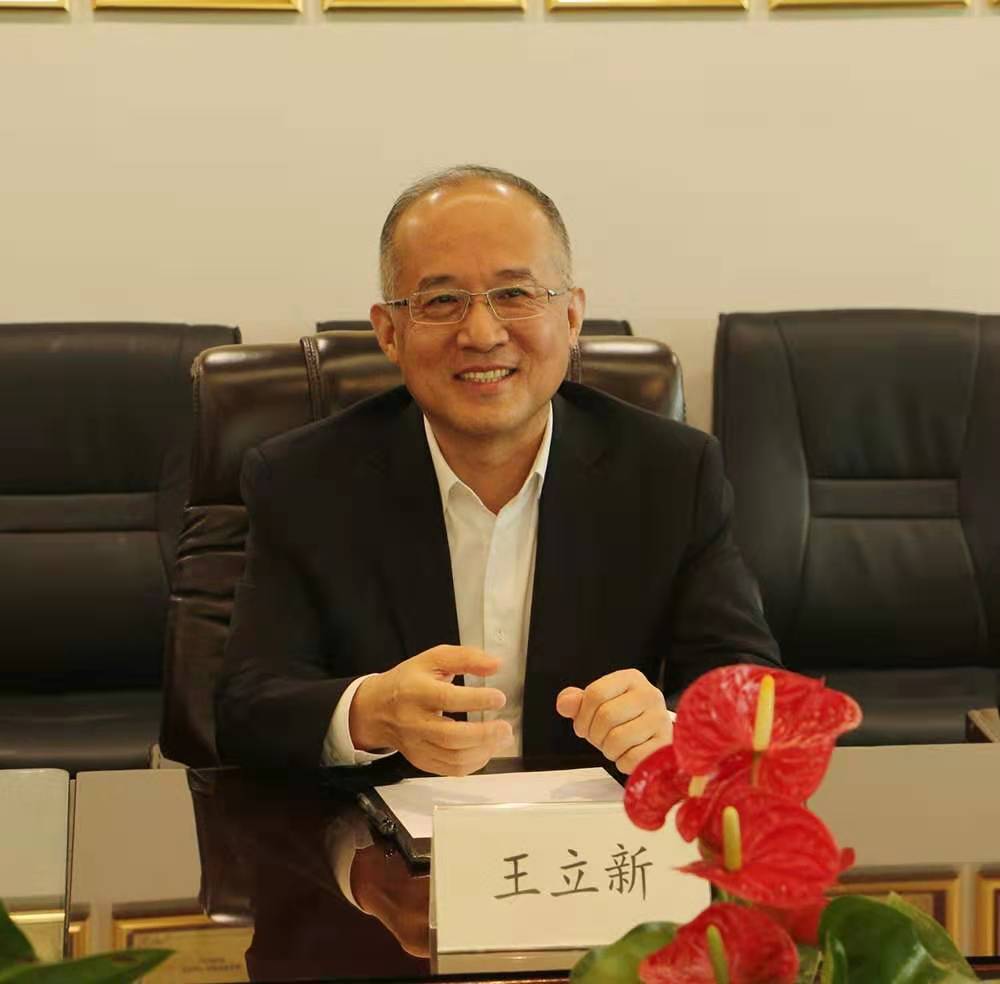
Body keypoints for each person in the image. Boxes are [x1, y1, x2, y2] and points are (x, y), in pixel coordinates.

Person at [216, 164, 780, 776]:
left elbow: (752, 687)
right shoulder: (303, 482)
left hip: (588, 830)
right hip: (380, 828)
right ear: (389, 333)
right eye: (441, 301)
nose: (482, 334)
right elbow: (246, 707)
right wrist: (367, 713)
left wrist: (670, 727)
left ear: (571, 317)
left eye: (514, 294)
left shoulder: (671, 472)